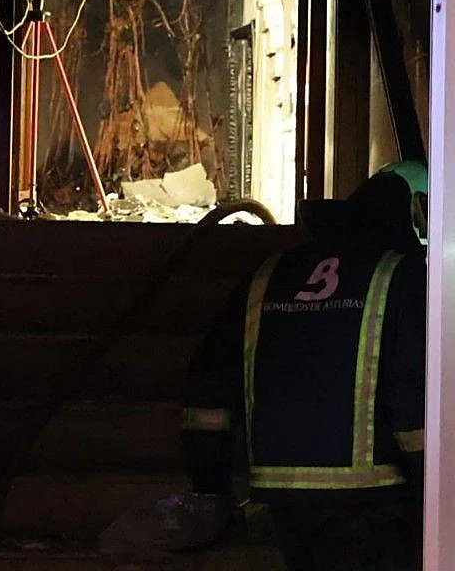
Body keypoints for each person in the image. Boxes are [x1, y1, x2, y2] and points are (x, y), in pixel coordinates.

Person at [182, 164, 427, 570]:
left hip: (283, 498)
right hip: (376, 499)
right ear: (417, 213)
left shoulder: (268, 274)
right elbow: (414, 396)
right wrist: (432, 489)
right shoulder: (404, 277)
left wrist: (210, 487)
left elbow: (208, 389)